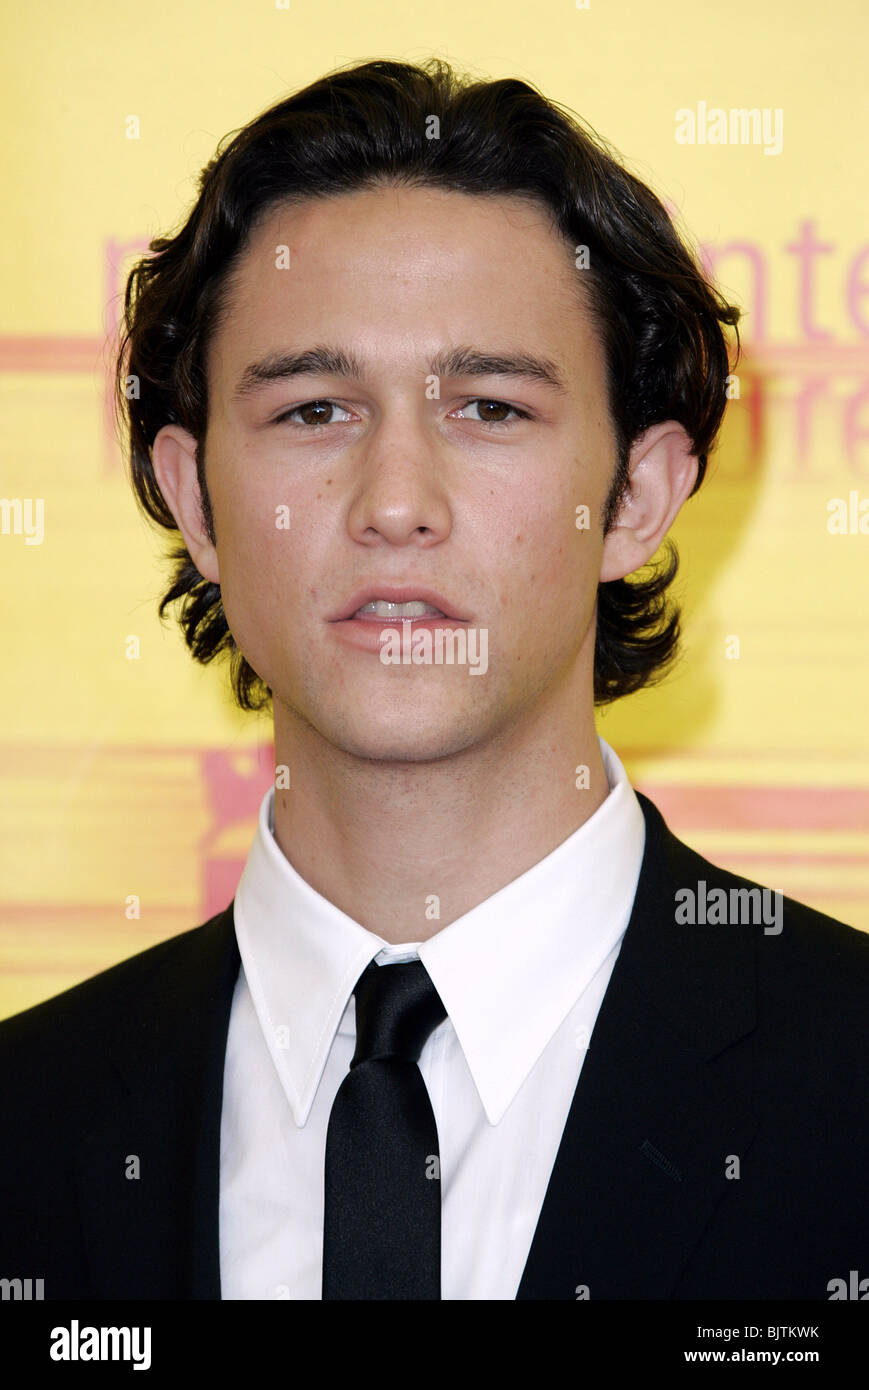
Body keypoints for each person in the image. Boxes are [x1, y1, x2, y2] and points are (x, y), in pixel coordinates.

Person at [1, 57, 867, 1302]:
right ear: (194, 499)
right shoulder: (26, 1123)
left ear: (636, 495)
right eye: (312, 410)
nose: (395, 504)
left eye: (489, 408)